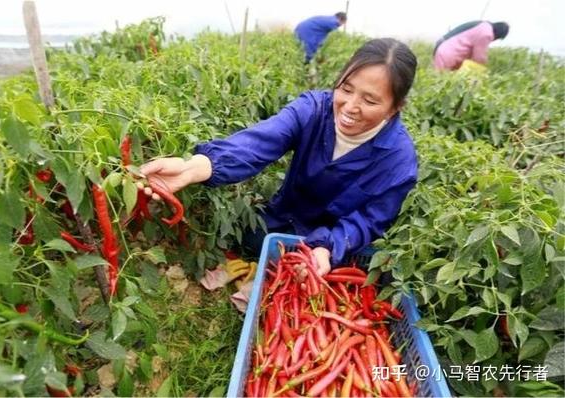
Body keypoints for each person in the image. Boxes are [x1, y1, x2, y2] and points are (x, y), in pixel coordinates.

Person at [139, 38, 418, 276]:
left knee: (329, 275)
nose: (350, 106)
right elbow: (260, 141)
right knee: (253, 240)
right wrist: (194, 167)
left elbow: (370, 219)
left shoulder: (398, 160)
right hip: (284, 219)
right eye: (345, 89)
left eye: (369, 101)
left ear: (395, 108)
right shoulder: (313, 110)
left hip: (335, 245)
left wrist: (329, 247)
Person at [434, 21, 509, 71]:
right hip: (449, 54)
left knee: (441, 81)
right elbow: (479, 57)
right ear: (498, 34)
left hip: (444, 50)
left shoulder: (483, 25)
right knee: (442, 82)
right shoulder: (486, 34)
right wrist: (485, 70)